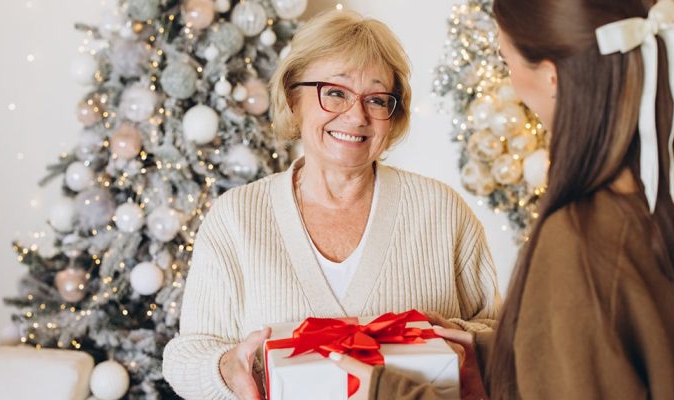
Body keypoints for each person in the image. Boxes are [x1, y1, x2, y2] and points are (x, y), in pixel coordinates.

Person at [332, 0, 674, 398]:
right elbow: (615, 350)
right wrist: (503, 353)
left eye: (508, 62)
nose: (511, 82)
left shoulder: (578, 236)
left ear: (552, 77)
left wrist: (392, 393)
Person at [162, 9, 501, 400]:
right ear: (293, 98)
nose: (356, 116)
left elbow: (502, 339)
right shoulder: (235, 218)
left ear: (393, 116)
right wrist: (226, 368)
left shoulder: (443, 211)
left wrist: (456, 339)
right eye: (335, 92)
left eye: (376, 99)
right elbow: (186, 355)